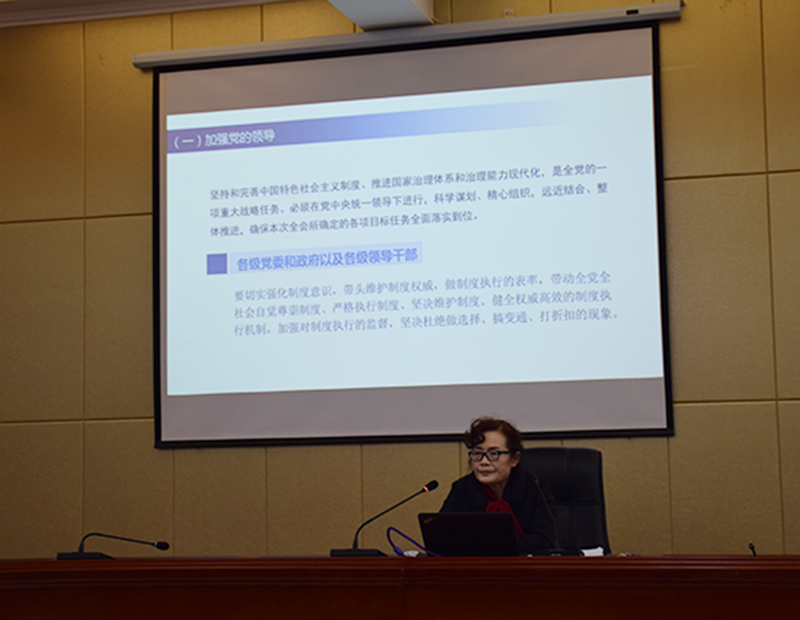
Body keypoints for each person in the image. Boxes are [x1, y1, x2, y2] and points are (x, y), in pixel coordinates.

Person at [440, 416, 556, 554]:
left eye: (493, 453)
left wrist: (486, 544)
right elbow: (441, 537)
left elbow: (544, 540)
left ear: (514, 459)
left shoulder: (534, 486)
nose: (484, 462)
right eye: (478, 453)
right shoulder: (462, 488)